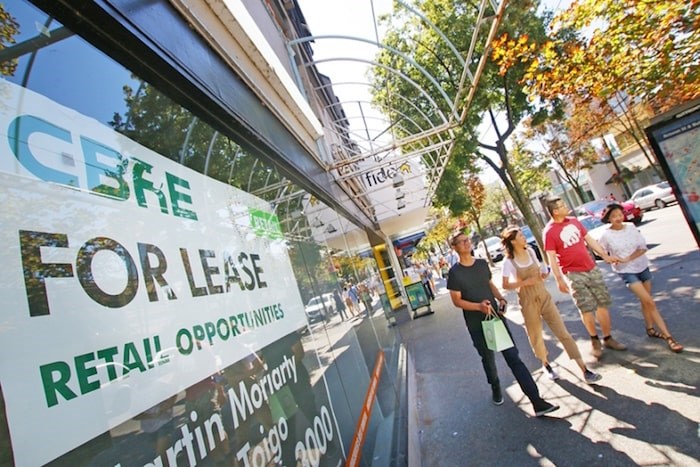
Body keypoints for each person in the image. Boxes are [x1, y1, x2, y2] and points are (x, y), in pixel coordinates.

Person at [446, 232, 559, 417]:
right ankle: (496, 385)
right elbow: (457, 301)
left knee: (513, 356)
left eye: (468, 240)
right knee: (488, 358)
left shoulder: (481, 264)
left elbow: (489, 284)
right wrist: (477, 307)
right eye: (462, 241)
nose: (467, 243)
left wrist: (500, 298)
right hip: (477, 324)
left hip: (495, 318)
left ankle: (536, 401)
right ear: (455, 247)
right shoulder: (455, 273)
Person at [500, 226, 602, 384]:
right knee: (535, 335)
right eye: (520, 235)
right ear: (512, 241)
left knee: (562, 332)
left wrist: (544, 274)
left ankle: (584, 369)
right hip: (527, 300)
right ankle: (545, 364)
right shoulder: (509, 261)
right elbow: (505, 284)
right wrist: (525, 282)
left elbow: (542, 269)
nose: (523, 237)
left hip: (544, 295)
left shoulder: (531, 251)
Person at [543, 197, 626, 358]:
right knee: (586, 308)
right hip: (573, 273)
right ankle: (594, 339)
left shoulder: (574, 221)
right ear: (555, 211)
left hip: (591, 268)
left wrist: (604, 255)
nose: (566, 207)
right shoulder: (549, 231)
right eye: (562, 206)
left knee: (602, 303)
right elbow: (551, 258)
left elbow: (589, 240)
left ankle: (608, 338)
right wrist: (559, 279)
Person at [598, 204, 683, 352]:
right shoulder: (606, 235)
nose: (618, 218)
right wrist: (610, 258)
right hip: (626, 271)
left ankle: (650, 329)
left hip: (642, 266)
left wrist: (628, 258)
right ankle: (669, 337)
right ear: (608, 219)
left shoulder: (630, 227)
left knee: (646, 300)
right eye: (613, 216)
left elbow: (643, 247)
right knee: (649, 301)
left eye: (619, 214)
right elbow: (600, 251)